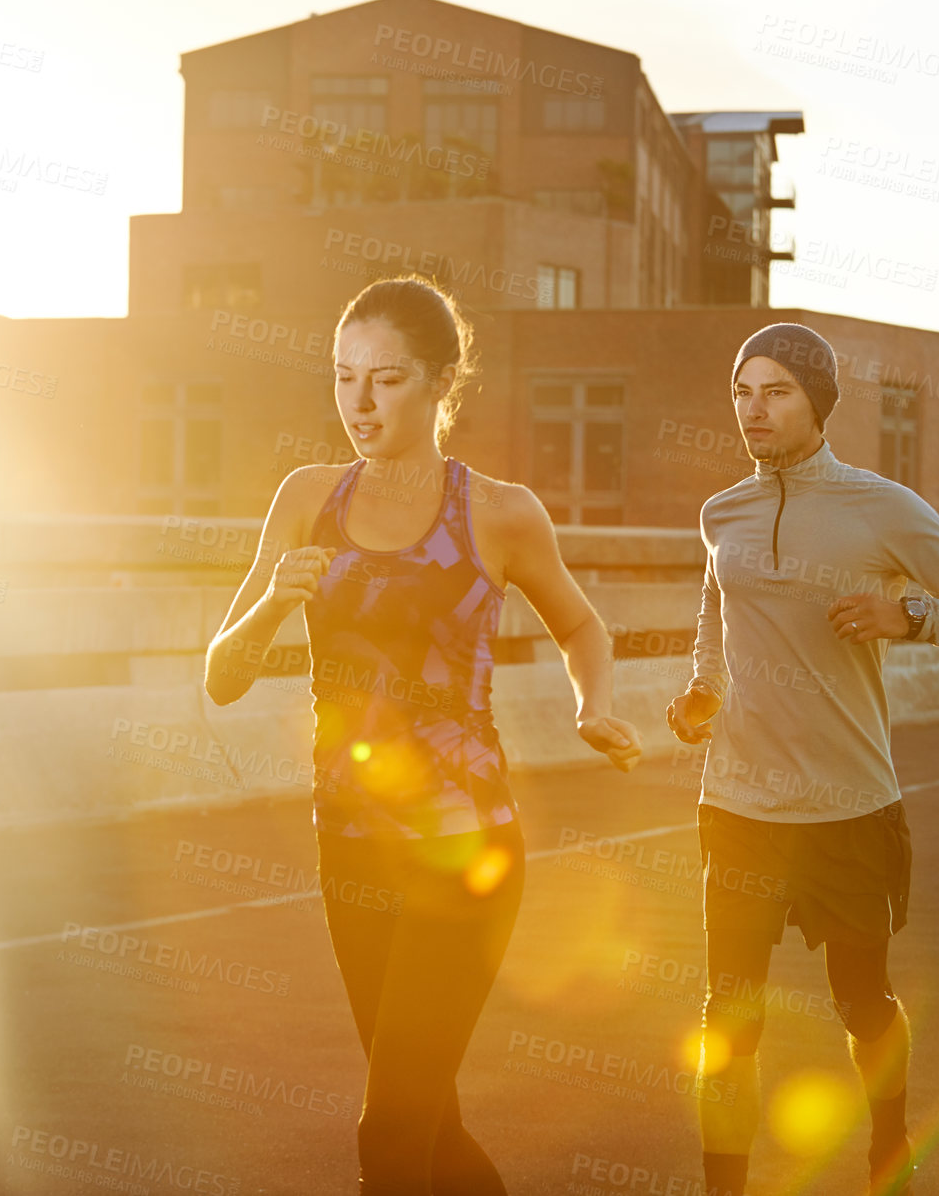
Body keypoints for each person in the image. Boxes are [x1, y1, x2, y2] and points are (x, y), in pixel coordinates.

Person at [205, 274, 643, 1195]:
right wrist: (271, 605)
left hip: (465, 854)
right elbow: (221, 675)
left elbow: (581, 626)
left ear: (441, 380)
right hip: (351, 851)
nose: (357, 403)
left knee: (390, 1131)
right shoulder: (304, 497)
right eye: (342, 377)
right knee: (427, 1126)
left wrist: (589, 702)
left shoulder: (499, 510)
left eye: (385, 379)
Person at [665, 322, 939, 1196]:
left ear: (817, 402)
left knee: (862, 1005)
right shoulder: (722, 512)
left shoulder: (880, 506)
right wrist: (703, 690)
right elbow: (714, 612)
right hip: (740, 804)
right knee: (728, 1017)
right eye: (743, 391)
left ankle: (886, 1155)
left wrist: (909, 619)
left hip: (849, 805)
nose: (754, 408)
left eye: (776, 390)